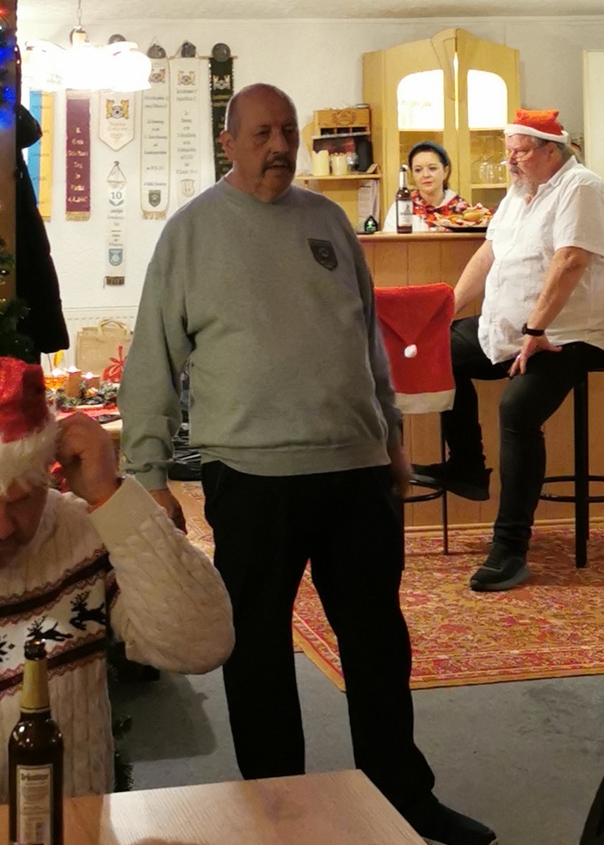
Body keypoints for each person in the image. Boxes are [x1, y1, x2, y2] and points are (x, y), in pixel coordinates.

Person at [119, 82, 497, 845]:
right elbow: (153, 356)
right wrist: (149, 474)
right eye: (262, 133)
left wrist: (391, 441)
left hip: (353, 470)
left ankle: (402, 797)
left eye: (287, 132)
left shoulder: (327, 221)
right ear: (229, 142)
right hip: (249, 474)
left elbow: (365, 344)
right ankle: (278, 810)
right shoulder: (191, 233)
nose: (279, 146)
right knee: (257, 650)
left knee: (376, 643)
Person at [0, 351, 234, 812]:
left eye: (23, 500)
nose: (2, 528)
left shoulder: (85, 534)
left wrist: (110, 495)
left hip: (76, 820)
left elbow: (200, 645)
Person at [412, 108, 604, 592]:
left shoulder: (580, 187)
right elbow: (488, 253)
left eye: (519, 152)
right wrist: (446, 311)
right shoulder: (519, 192)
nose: (511, 161)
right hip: (510, 328)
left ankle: (510, 549)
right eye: (508, 152)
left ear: (551, 151)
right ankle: (467, 465)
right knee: (440, 350)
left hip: (568, 334)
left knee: (517, 411)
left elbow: (571, 259)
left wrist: (536, 327)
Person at [382, 140, 480, 232]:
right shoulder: (402, 207)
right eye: (418, 170)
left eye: (432, 168)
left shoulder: (462, 209)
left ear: (445, 171)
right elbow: (391, 243)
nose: (425, 175)